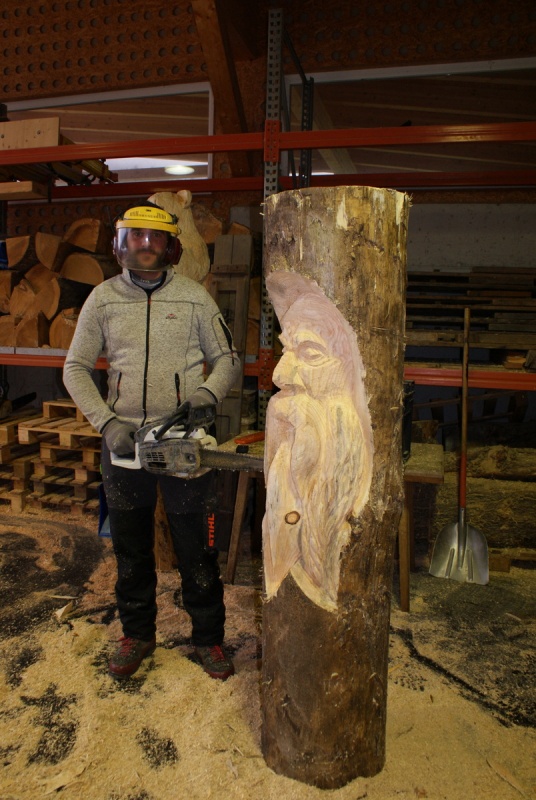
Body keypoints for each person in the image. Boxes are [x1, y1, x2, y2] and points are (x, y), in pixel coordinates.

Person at [63, 203, 241, 681]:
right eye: (135, 237)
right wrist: (105, 422)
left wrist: (206, 394)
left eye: (155, 238)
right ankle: (137, 634)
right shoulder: (102, 299)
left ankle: (208, 638)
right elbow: (75, 367)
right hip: (123, 441)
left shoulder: (194, 298)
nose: (144, 246)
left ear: (171, 246)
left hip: (182, 439)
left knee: (196, 548)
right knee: (130, 548)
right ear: (120, 244)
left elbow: (227, 358)